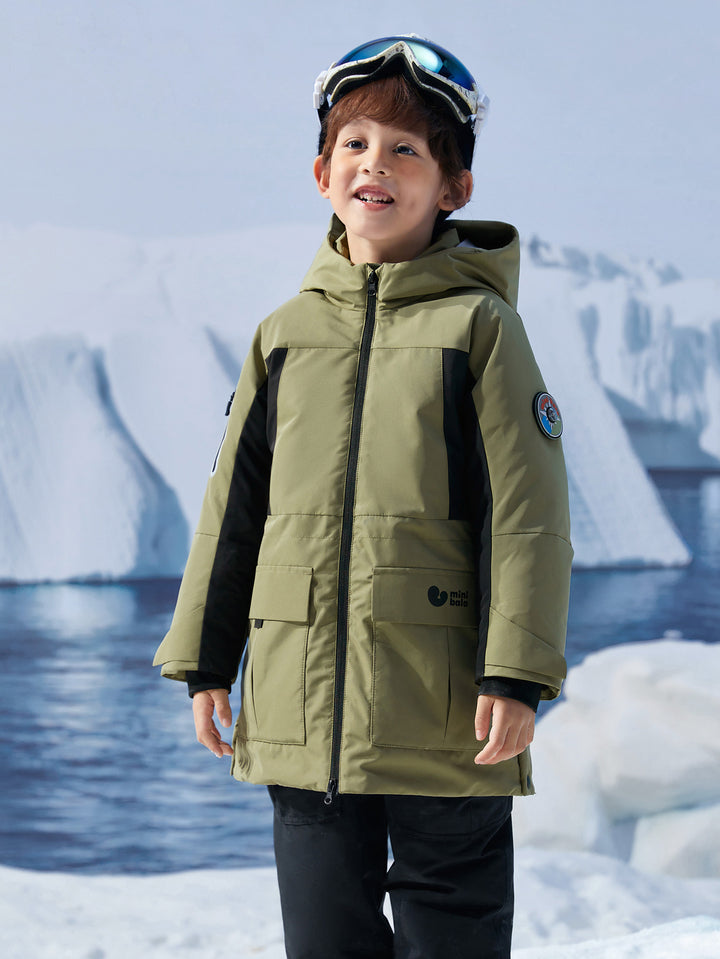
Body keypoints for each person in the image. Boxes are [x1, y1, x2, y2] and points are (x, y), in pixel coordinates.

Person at [153, 35, 572, 959]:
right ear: (322, 174)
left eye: (405, 149)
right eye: (355, 145)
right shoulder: (284, 335)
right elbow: (235, 510)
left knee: (451, 935)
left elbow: (527, 518)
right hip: (300, 707)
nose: (374, 164)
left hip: (444, 707)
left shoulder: (480, 329)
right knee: (323, 940)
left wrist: (516, 674)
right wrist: (207, 657)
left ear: (454, 187)